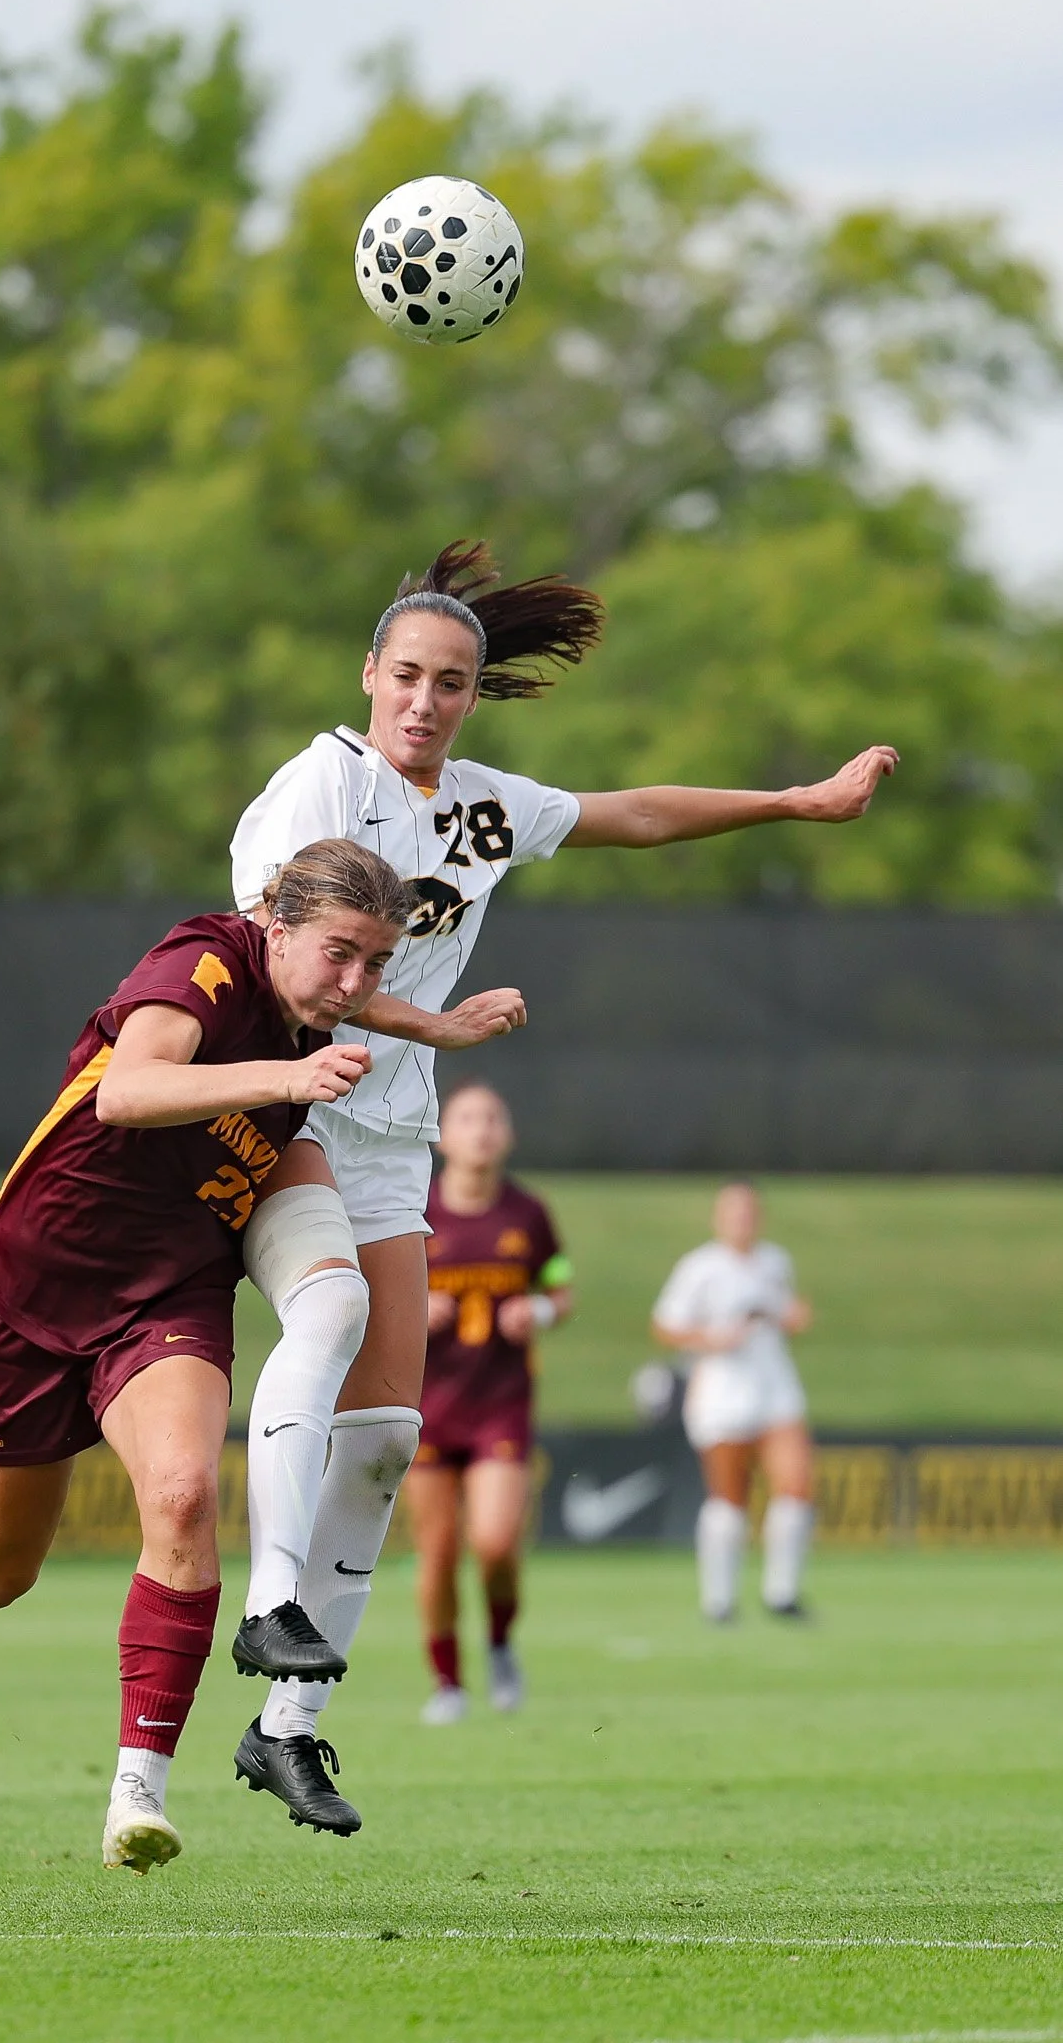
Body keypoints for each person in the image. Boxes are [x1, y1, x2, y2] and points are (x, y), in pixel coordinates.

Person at [227, 537, 895, 1830]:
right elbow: (289, 968)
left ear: (476, 693)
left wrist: (795, 804)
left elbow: (631, 814)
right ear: (369, 674)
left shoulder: (481, 805)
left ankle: (286, 1727)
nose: (426, 700)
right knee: (323, 1323)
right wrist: (439, 1026)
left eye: (452, 681)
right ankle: (267, 1599)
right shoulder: (321, 785)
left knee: (383, 1440)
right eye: (408, 675)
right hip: (283, 1106)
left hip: (389, 1140)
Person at [0, 840, 413, 1873]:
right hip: (25, 1290)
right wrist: (291, 1076)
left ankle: (138, 1790)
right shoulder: (205, 960)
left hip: (167, 1298)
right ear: (274, 925)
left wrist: (437, 1024)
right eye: (340, 954)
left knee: (182, 1496)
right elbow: (126, 1092)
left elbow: (348, 1001)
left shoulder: (311, 1014)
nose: (355, 984)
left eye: (377, 963)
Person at [407, 1082, 572, 1724]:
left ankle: (501, 1644)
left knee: (497, 1542)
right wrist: (415, 1306)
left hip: (500, 1404)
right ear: (442, 1135)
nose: (481, 1129)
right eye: (468, 1118)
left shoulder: (528, 1214)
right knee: (439, 1553)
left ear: (508, 1136)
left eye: (493, 1118)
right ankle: (448, 1682)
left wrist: (539, 1311)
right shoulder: (414, 1210)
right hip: (426, 1408)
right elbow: (371, 1290)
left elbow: (559, 1285)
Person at [650, 1180, 816, 1622]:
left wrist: (794, 1317)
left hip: (775, 1386)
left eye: (750, 1212)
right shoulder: (699, 1268)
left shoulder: (776, 1261)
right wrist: (712, 1338)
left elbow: (784, 1312)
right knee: (729, 1498)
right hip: (722, 1392)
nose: (743, 1220)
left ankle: (782, 1592)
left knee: (796, 1486)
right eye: (734, 1212)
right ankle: (719, 1600)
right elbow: (664, 1326)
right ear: (718, 1219)